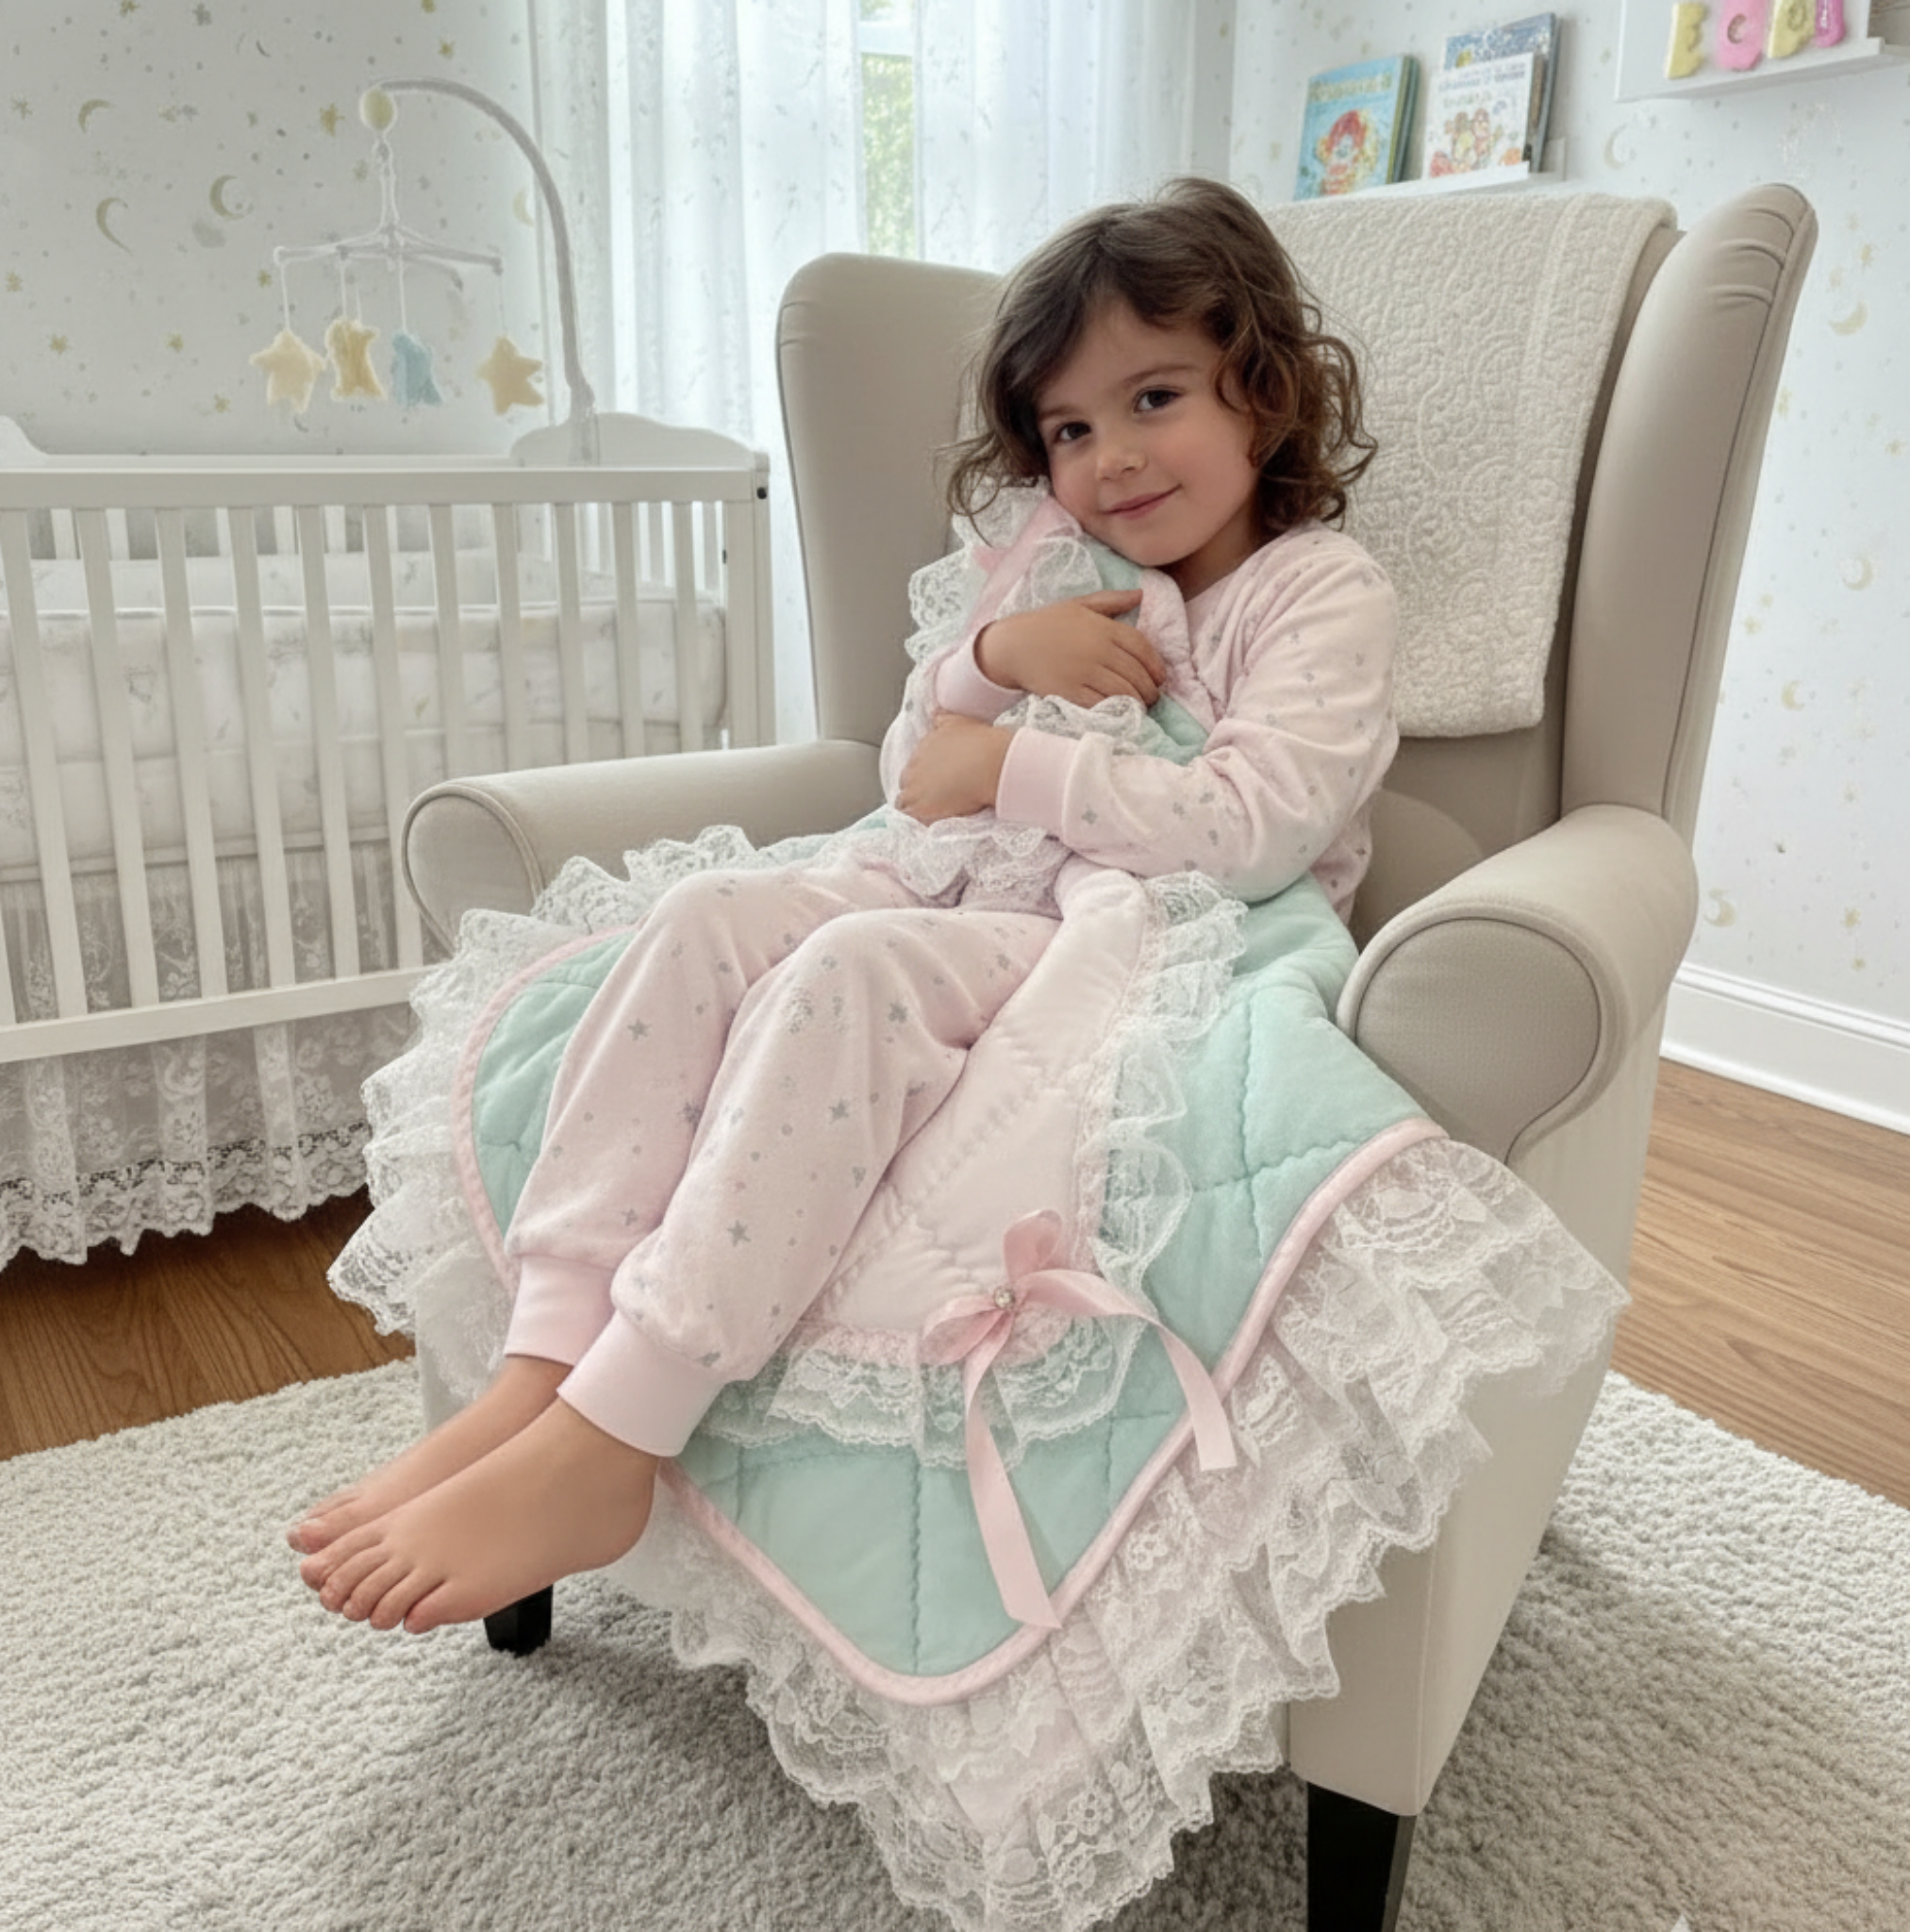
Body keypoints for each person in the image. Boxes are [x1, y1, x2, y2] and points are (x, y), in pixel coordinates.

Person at [290, 175, 1400, 1636]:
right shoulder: (1053, 573)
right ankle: (540, 1368)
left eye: (1155, 399)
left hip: (1129, 933)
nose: (1112, 459)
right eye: (1070, 429)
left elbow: (1252, 828)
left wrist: (1011, 757)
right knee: (699, 926)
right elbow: (911, 773)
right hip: (941, 869)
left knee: (852, 974)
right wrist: (995, 654)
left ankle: (621, 1430)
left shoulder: (1314, 593)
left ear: (1263, 391)